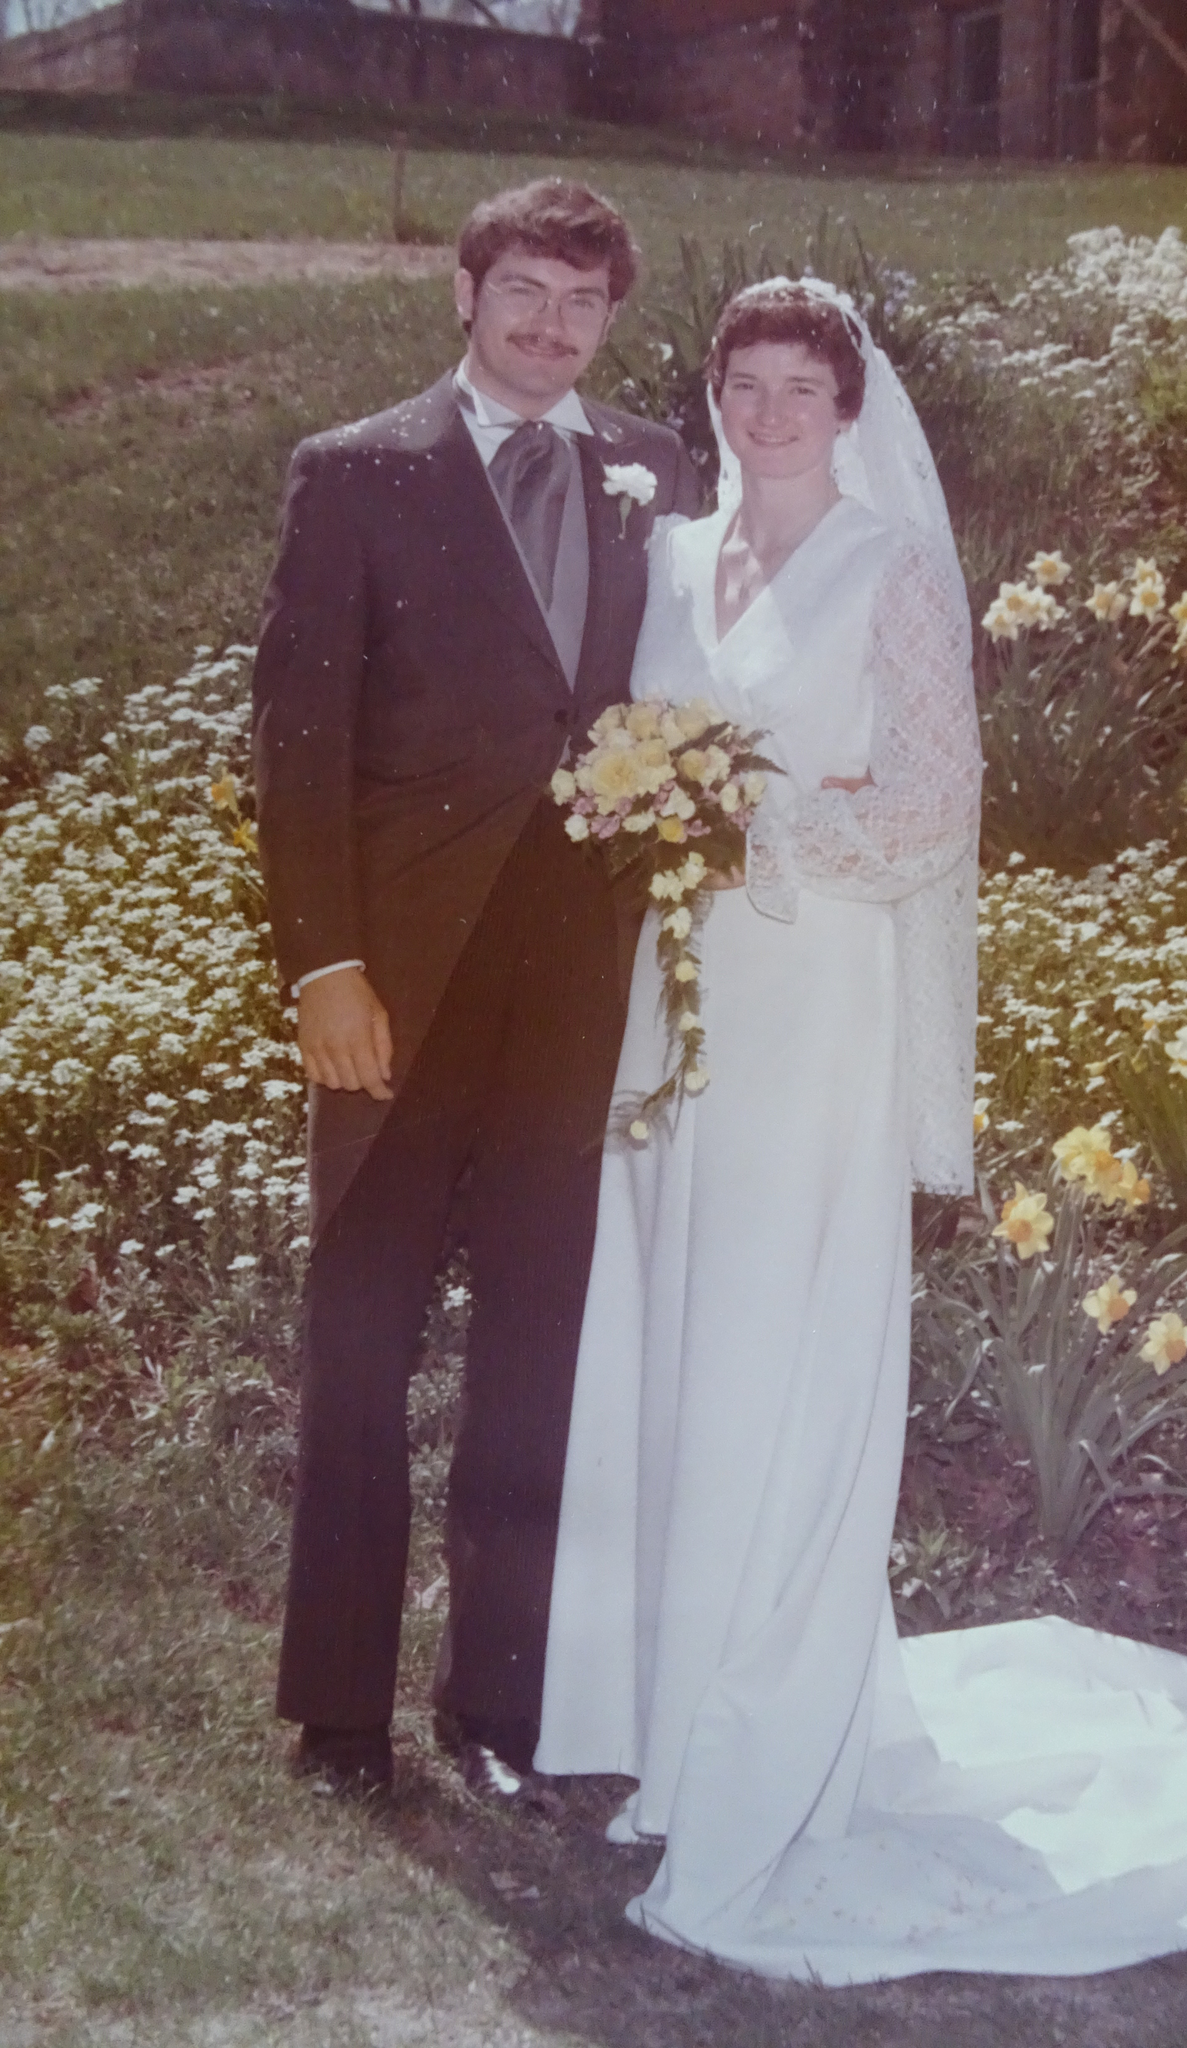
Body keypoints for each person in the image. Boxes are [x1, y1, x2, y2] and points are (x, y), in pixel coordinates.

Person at [534, 278, 1187, 1982]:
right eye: (742, 385)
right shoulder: (677, 557)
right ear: (709, 398)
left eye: (798, 389)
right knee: (675, 1338)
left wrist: (738, 811)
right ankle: (672, 1722)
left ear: (850, 410)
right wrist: (647, 807)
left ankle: (770, 1741)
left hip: (816, 1007)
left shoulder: (894, 568)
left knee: (774, 1341)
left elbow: (930, 810)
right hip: (675, 1002)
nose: (767, 414)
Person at [251, 178, 700, 1797]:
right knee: (361, 1338)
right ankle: (341, 1711)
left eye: (581, 302)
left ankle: (501, 1704)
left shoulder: (658, 470)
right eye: (523, 289)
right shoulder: (358, 474)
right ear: (463, 292)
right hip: (399, 987)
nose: (549, 324)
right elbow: (296, 748)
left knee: (539, 1345)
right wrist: (327, 965)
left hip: (578, 989)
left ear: (608, 321)